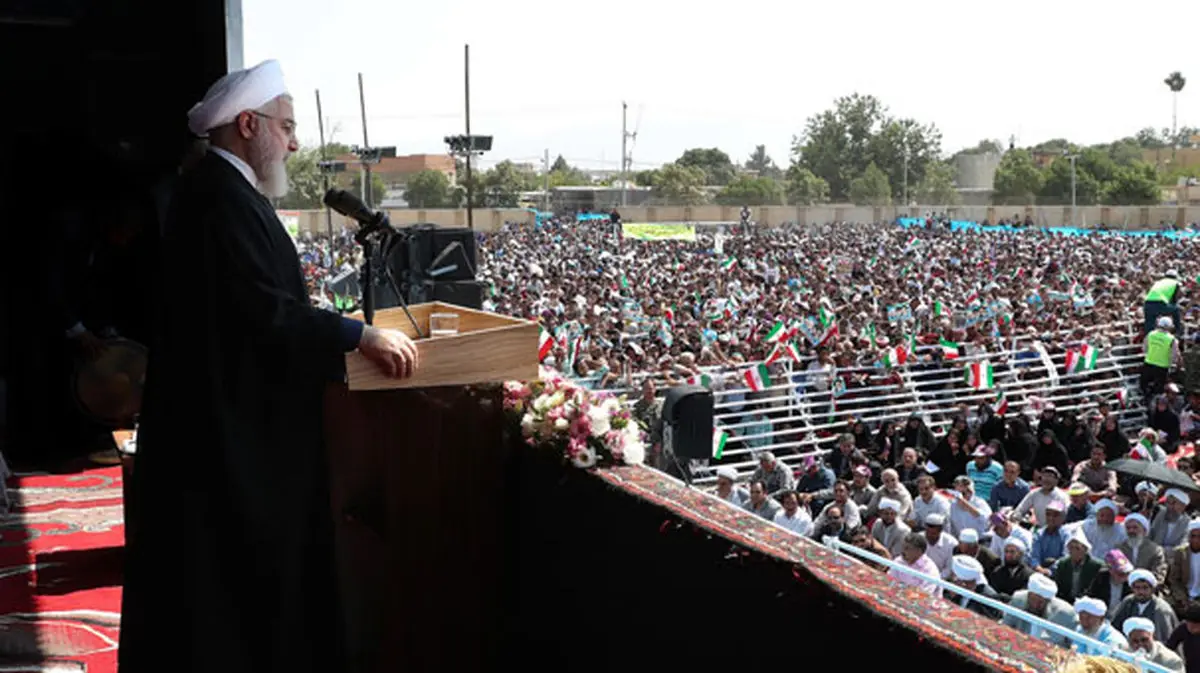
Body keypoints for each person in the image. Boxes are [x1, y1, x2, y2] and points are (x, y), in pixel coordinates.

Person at [118, 60, 419, 673]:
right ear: (248, 125)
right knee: (229, 597)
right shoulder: (221, 201)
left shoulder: (223, 193)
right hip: (228, 439)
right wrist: (356, 334)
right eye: (286, 125)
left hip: (227, 422)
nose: (295, 140)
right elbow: (263, 311)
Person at [1142, 316, 1181, 400]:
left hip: (1148, 363)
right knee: (1158, 389)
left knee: (1144, 385)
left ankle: (1147, 398)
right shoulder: (1172, 339)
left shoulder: (1151, 334)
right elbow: (1174, 355)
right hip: (1162, 367)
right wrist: (1171, 363)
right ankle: (1155, 404)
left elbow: (1144, 348)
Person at [1143, 270, 1181, 337]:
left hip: (1147, 303)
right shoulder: (1176, 283)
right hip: (1160, 303)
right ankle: (1178, 331)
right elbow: (1174, 300)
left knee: (1149, 325)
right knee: (1176, 309)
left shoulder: (1158, 282)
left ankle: (1148, 341)